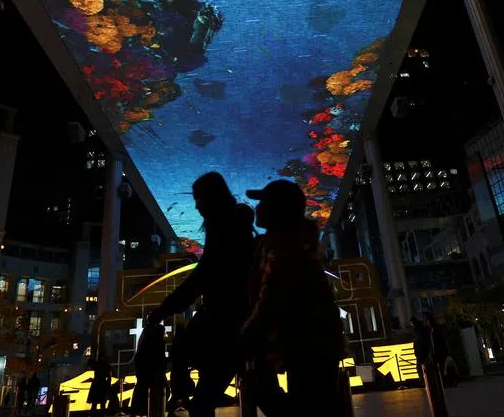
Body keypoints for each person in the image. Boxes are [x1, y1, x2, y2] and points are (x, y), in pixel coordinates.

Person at [145, 172, 256, 417]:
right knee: (261, 391)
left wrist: (166, 307)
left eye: (198, 199)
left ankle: (184, 394)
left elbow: (203, 276)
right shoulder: (233, 226)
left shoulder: (222, 229)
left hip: (226, 322)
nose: (196, 205)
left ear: (211, 198)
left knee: (207, 393)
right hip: (238, 320)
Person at [241, 180, 348, 417]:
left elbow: (272, 300)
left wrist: (246, 337)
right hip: (311, 346)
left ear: (278, 210)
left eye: (263, 203)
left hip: (310, 347)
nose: (257, 208)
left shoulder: (287, 249)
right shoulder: (289, 243)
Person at [133, 322, 168, 417]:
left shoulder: (145, 344)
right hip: (153, 375)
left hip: (146, 374)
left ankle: (139, 411)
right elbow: (160, 359)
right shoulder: (158, 343)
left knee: (143, 394)